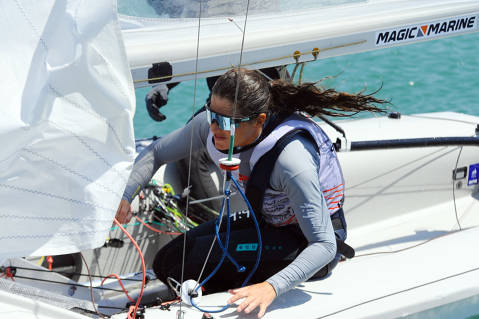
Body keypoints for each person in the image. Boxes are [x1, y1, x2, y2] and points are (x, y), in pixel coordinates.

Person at [116, 68, 387, 317]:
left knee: (185, 267)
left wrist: (271, 288)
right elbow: (157, 152)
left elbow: (325, 245)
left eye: (227, 121)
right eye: (212, 114)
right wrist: (126, 196)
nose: (214, 128)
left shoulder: (291, 160)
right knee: (166, 260)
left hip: (304, 244)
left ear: (258, 120)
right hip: (267, 222)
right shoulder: (209, 127)